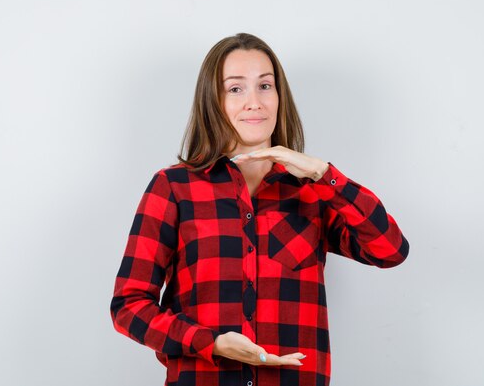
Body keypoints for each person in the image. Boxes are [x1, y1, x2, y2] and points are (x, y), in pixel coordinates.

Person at [109, 32, 409, 386]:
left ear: (280, 96)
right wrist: (212, 343)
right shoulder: (174, 188)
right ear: (213, 100)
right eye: (236, 89)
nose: (254, 102)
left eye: (265, 86)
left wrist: (324, 174)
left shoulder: (313, 192)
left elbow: (389, 250)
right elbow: (128, 306)